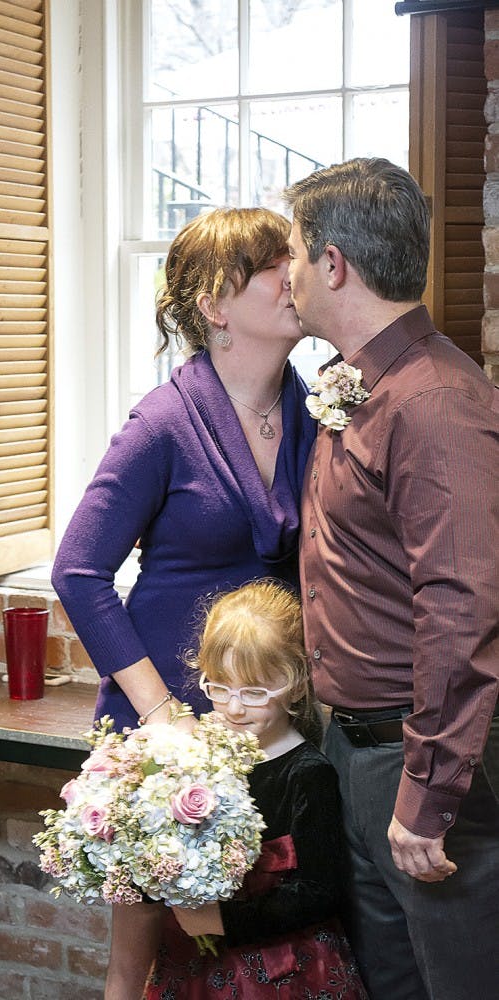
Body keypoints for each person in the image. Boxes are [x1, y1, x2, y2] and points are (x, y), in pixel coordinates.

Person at [51, 207, 316, 999]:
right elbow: (77, 572)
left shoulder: (312, 410)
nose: (293, 279)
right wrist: (160, 715)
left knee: (265, 942)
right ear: (215, 303)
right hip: (168, 724)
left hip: (273, 718)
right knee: (139, 967)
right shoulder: (163, 423)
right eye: (274, 266)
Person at [284, 157, 499, 1000]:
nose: (290, 274)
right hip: (356, 750)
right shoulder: (360, 385)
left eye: (297, 254)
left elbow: (464, 607)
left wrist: (429, 790)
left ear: (334, 264)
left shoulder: (432, 401)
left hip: (420, 756)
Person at [145, 579, 367, 999]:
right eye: (219, 687)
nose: (232, 707)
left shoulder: (308, 773)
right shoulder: (196, 756)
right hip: (191, 957)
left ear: (298, 682)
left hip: (281, 968)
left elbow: (321, 893)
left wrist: (221, 920)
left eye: (254, 691)